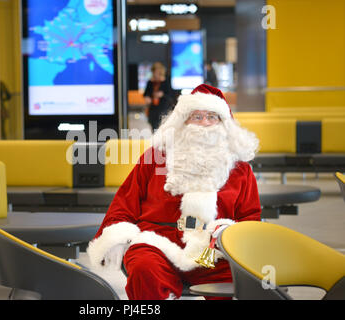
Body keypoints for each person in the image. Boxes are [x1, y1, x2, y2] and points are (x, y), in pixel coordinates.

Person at [87, 84, 261, 300]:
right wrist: (117, 236)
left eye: (212, 116)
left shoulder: (240, 170)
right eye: (196, 116)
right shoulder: (155, 158)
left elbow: (250, 219)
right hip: (156, 243)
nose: (204, 123)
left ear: (224, 123)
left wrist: (228, 233)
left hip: (212, 250)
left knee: (248, 278)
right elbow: (125, 202)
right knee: (143, 268)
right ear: (182, 121)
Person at [143, 62, 174, 131]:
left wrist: (162, 95)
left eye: (157, 72)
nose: (155, 74)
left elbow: (171, 95)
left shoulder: (166, 82)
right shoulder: (150, 82)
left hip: (163, 108)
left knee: (162, 127)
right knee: (154, 127)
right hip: (153, 109)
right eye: (154, 72)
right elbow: (146, 94)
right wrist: (147, 98)